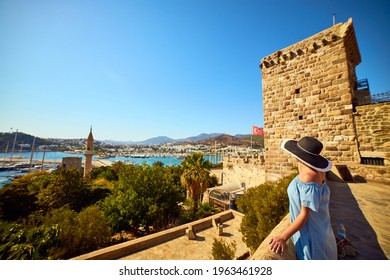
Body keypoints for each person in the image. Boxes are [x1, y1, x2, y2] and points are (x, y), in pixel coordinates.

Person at [269, 136, 337, 260]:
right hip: (322, 229)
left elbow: (304, 215)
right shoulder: (319, 172)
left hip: (312, 236)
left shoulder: (309, 177)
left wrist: (283, 237)